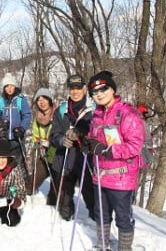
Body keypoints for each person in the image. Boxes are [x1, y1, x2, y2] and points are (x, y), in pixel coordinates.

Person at [81, 70, 145, 251]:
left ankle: (124, 248)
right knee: (101, 215)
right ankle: (103, 245)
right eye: (95, 92)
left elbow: (135, 147)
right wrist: (88, 144)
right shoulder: (97, 115)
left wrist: (106, 150)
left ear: (113, 89)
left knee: (123, 217)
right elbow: (95, 140)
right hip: (100, 176)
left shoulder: (127, 113)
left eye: (104, 89)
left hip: (121, 178)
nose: (99, 94)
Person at [49, 74, 95, 220]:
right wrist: (61, 139)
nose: (75, 92)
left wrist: (81, 134)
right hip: (64, 160)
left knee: (92, 199)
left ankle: (98, 226)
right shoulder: (61, 110)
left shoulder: (93, 110)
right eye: (72, 88)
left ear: (84, 89)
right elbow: (53, 135)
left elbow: (97, 134)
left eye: (78, 88)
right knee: (64, 205)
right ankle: (67, 219)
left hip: (85, 161)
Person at [0, 73, 32, 178]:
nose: (9, 89)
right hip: (4, 137)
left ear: (15, 86)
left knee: (18, 162)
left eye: (11, 86)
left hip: (17, 137)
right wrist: (0, 126)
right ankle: (5, 184)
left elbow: (27, 115)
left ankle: (22, 183)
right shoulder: (0, 100)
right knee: (4, 162)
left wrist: (22, 128)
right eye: (7, 86)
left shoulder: (20, 99)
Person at [26, 88, 57, 200]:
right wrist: (37, 143)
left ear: (49, 100)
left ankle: (55, 202)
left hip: (57, 153)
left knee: (58, 183)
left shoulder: (58, 114)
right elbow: (35, 134)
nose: (41, 102)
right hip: (44, 153)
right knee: (33, 179)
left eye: (44, 99)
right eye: (38, 100)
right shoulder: (38, 117)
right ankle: (24, 195)